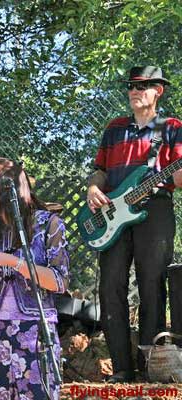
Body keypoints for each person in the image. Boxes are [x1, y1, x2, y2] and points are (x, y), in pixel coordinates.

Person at [86, 66, 182, 383]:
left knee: (152, 286)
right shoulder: (114, 128)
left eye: (143, 86)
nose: (135, 90)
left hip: (154, 210)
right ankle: (122, 370)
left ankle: (151, 368)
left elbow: (178, 179)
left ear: (159, 91)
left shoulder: (172, 127)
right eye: (131, 85)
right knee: (109, 288)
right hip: (112, 212)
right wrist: (93, 188)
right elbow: (99, 169)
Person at [0, 158, 69, 399]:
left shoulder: (49, 224)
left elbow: (59, 281)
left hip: (35, 330)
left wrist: (10, 261)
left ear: (7, 185)